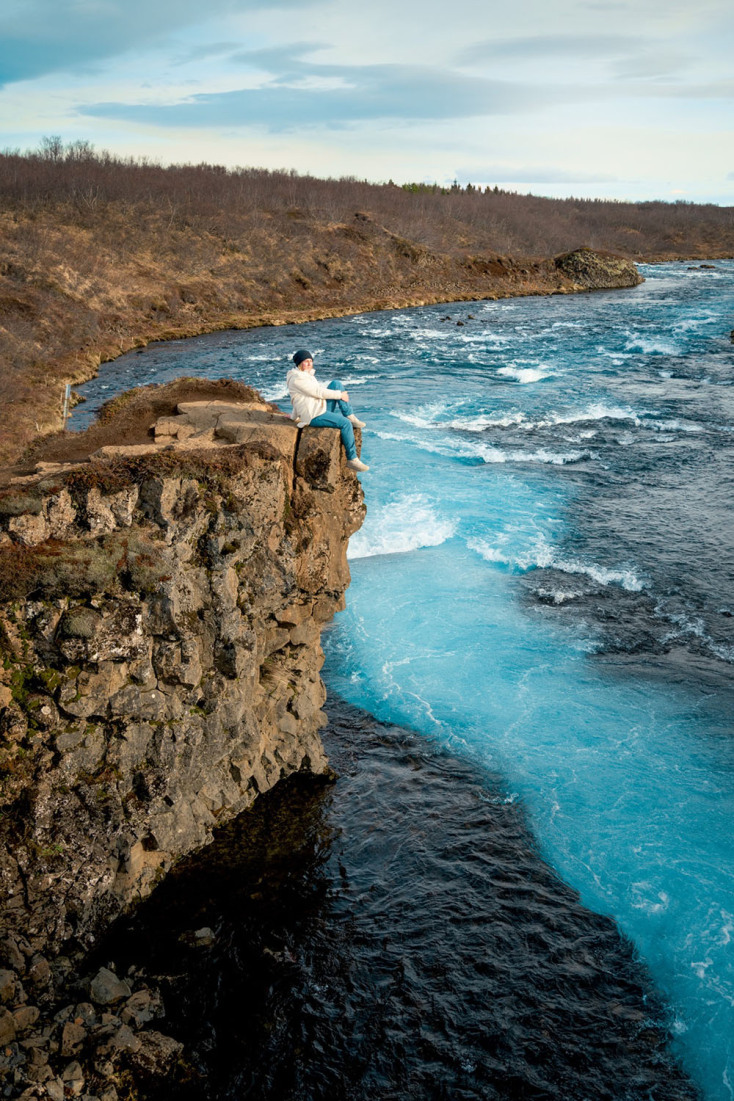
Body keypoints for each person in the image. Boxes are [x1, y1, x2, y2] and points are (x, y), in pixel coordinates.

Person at [286, 349, 370, 472]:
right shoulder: (298, 378)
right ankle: (352, 459)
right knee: (345, 424)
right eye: (306, 361)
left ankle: (350, 415)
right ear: (299, 363)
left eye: (310, 361)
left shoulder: (306, 375)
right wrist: (340, 396)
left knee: (336, 384)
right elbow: (317, 392)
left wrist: (293, 416)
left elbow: (297, 399)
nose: (309, 364)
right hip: (313, 415)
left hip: (317, 407)